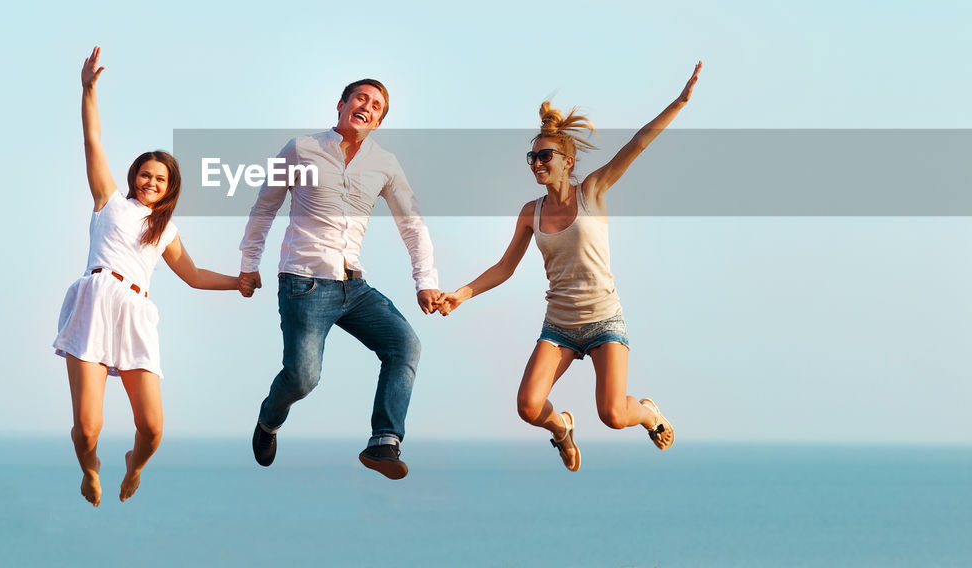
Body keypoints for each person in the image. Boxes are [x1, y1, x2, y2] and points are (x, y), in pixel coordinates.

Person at [437, 62, 702, 471]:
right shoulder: (531, 212)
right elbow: (505, 266)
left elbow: (637, 144)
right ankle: (562, 429)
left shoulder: (592, 192)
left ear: (567, 159)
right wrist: (461, 294)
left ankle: (648, 413)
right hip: (559, 325)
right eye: (532, 156)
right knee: (528, 406)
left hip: (603, 321)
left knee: (614, 416)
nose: (536, 163)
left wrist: (679, 102)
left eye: (545, 155)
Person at [54, 47, 253, 507]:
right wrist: (87, 91)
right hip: (94, 301)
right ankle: (90, 467)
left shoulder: (166, 230)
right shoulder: (109, 201)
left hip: (135, 314)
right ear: (134, 176)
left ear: (169, 190)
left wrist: (239, 281)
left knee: (153, 430)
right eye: (145, 175)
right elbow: (93, 142)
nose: (150, 182)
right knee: (87, 428)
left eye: (159, 180)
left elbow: (194, 274)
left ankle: (134, 465)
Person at [239, 79, 440, 480]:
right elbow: (265, 206)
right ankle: (269, 419)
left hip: (355, 287)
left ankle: (384, 441)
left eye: (376, 105)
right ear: (342, 105)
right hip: (304, 283)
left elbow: (412, 224)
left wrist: (425, 280)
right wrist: (249, 264)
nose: (366, 106)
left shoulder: (385, 164)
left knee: (405, 345)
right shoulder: (300, 149)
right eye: (360, 98)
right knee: (303, 378)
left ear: (379, 121)